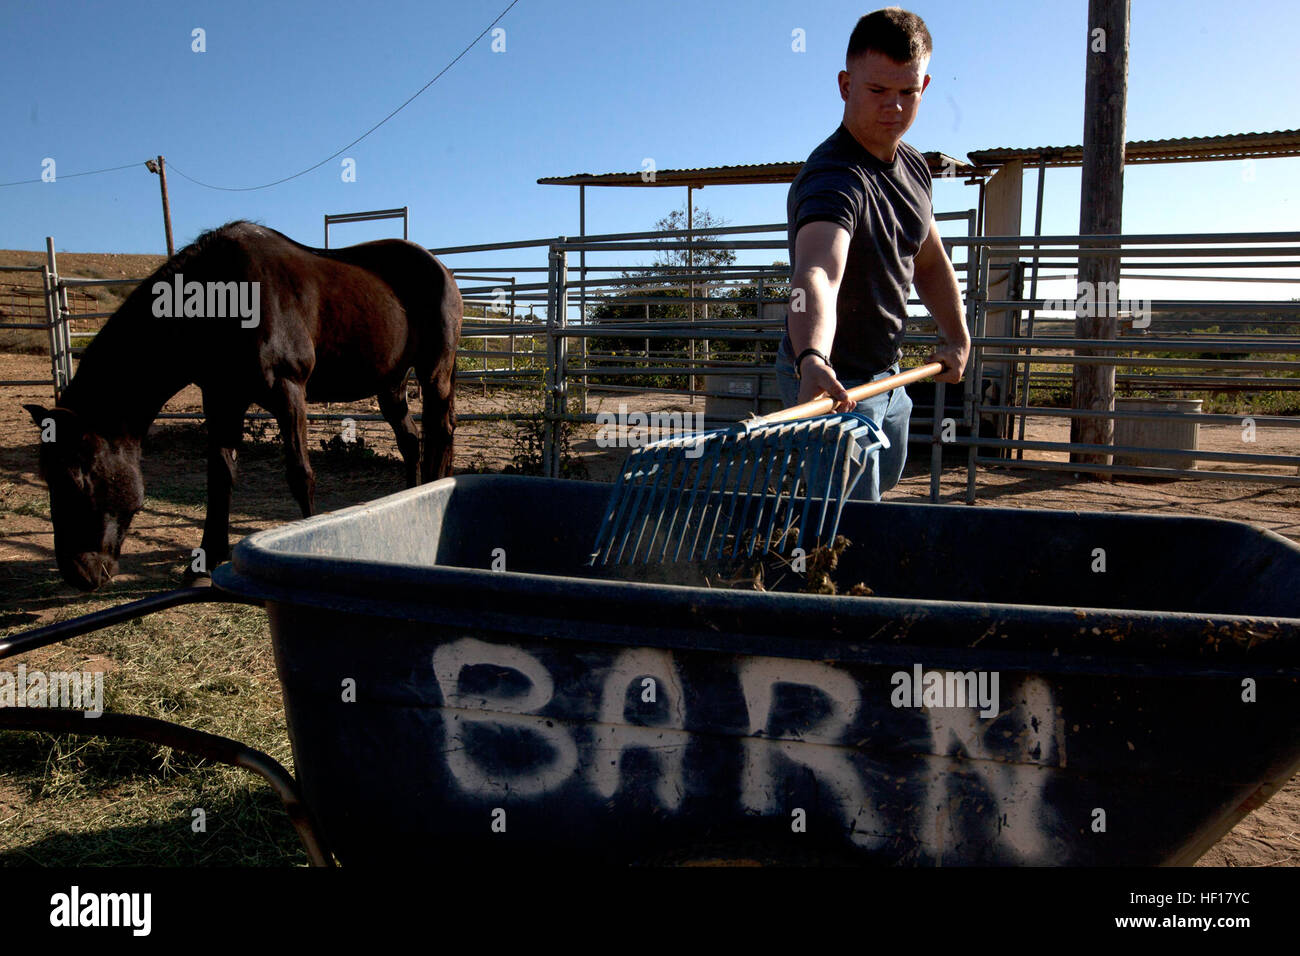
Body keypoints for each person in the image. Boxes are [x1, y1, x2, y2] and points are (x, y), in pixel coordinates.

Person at [777, 7, 970, 500]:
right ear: (845, 85)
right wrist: (813, 358)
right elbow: (818, 271)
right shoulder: (834, 178)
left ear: (923, 86)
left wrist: (958, 335)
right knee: (845, 522)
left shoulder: (914, 167)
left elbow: (927, 259)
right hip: (832, 383)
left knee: (877, 494)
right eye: (878, 91)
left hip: (889, 375)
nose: (895, 107)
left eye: (907, 92)